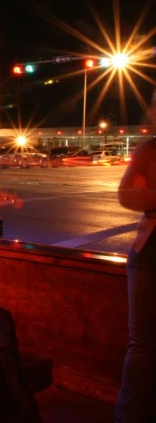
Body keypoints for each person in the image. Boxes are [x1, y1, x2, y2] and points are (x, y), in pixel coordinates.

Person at [115, 89, 156, 423]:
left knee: (142, 345)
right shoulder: (147, 149)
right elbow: (126, 194)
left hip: (147, 252)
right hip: (148, 252)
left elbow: (138, 195)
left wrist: (150, 195)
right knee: (142, 346)